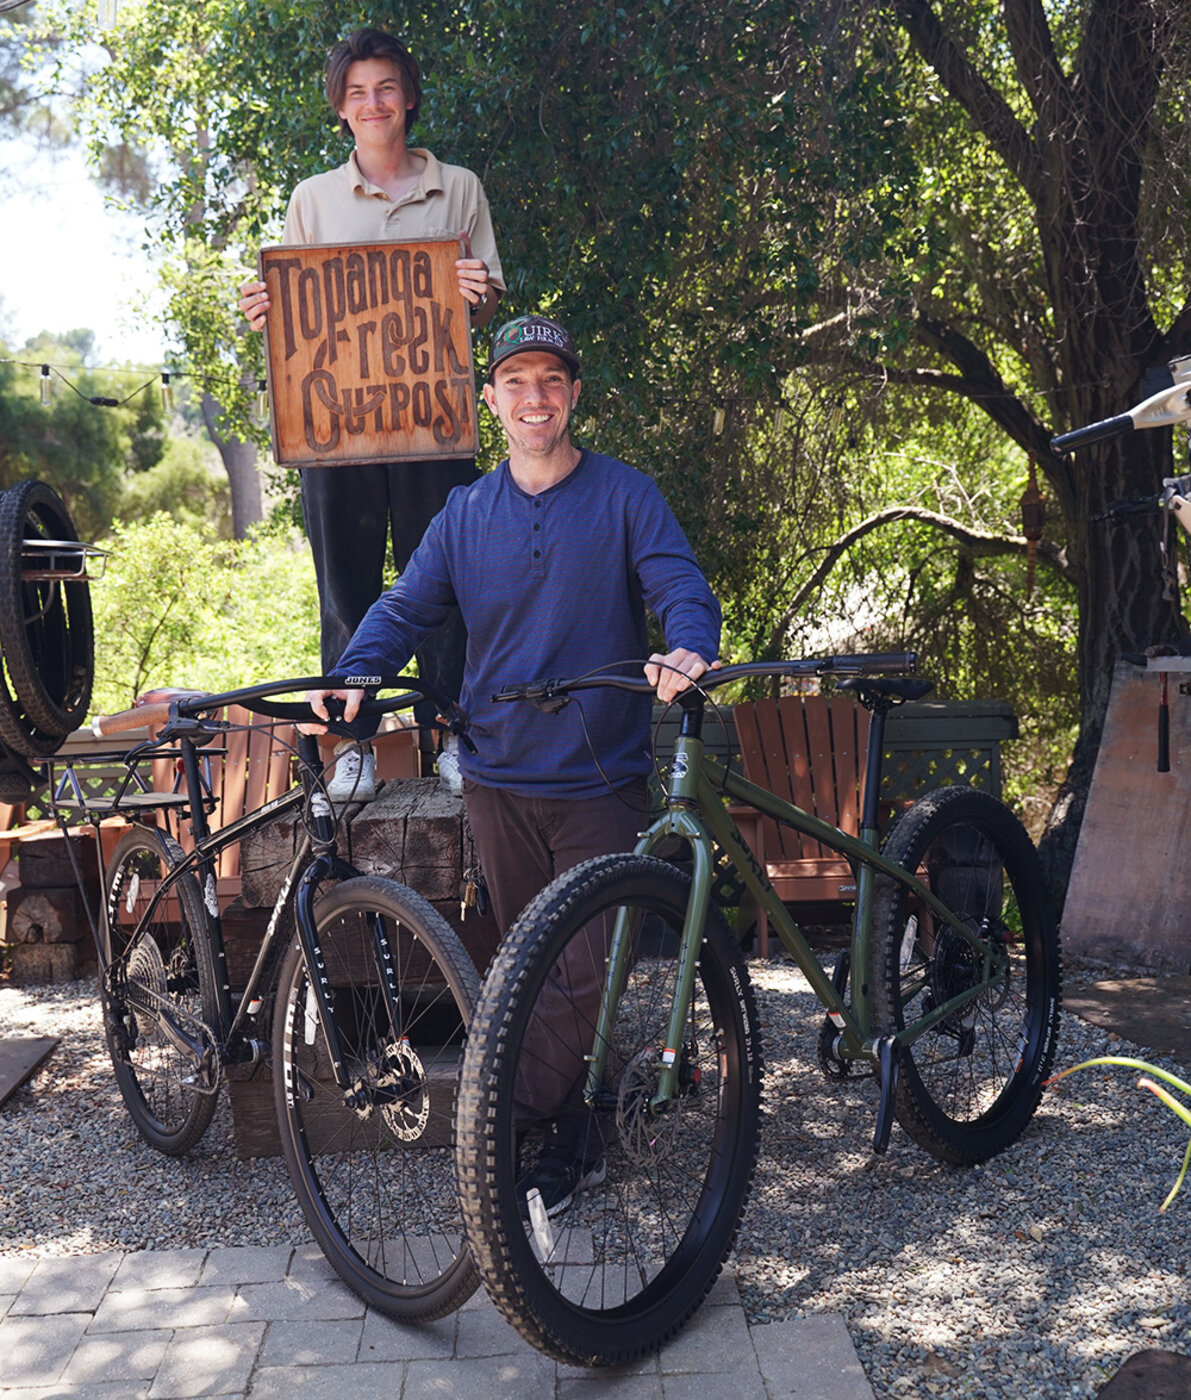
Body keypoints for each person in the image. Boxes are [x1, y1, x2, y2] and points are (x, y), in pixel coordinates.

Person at [305, 312, 721, 1215]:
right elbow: (406, 606)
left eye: (551, 383)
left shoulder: (623, 496)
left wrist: (687, 647)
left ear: (572, 396)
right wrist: (357, 671)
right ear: (489, 399)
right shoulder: (465, 515)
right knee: (528, 959)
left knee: (579, 968)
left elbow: (680, 587)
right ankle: (555, 1119)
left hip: (598, 782)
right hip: (497, 781)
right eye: (516, 383)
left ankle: (548, 1135)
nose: (534, 399)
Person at [239, 27, 505, 801]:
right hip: (338, 434)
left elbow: (483, 304)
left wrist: (477, 293)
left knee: (448, 583)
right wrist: (268, 308)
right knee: (345, 588)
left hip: (435, 419)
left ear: (409, 96)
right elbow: (296, 317)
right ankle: (351, 742)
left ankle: (452, 733)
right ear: (340, 109)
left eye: (385, 88)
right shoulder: (311, 199)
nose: (373, 102)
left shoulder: (458, 187)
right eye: (357, 92)